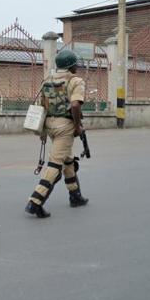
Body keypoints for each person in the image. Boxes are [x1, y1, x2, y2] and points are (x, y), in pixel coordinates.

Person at [25, 49, 89, 218]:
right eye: (75, 63)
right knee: (55, 164)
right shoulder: (76, 81)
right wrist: (77, 127)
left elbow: (43, 105)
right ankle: (35, 201)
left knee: (67, 159)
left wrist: (43, 131)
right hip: (65, 126)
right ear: (71, 65)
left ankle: (75, 195)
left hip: (49, 124)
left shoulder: (47, 79)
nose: (77, 66)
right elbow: (75, 105)